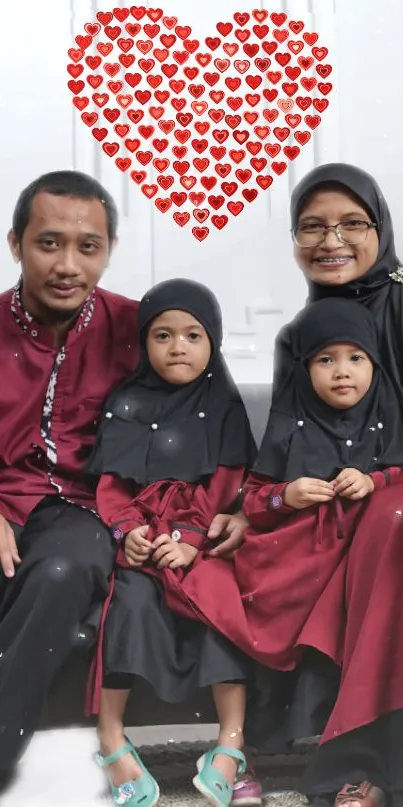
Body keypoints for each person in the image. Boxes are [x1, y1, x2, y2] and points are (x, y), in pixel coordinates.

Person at [0, 171, 246, 787]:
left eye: (89, 247)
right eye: (48, 242)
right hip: (5, 498)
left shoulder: (146, 330)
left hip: (86, 510)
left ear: (109, 251)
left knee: (64, 569)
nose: (67, 264)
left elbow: (215, 413)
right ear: (15, 244)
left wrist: (238, 502)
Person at [180, 297, 403, 807]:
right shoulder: (292, 418)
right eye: (325, 360)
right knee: (239, 596)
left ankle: (365, 763)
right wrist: (289, 494)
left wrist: (374, 480)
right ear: (305, 368)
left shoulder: (390, 414)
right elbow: (254, 500)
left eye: (355, 357)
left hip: (364, 565)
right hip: (302, 557)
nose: (342, 372)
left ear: (374, 362)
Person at [85, 278, 257, 807]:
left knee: (218, 601)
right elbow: (111, 489)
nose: (177, 346)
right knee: (128, 601)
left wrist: (188, 540)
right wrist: (127, 533)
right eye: (162, 335)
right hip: (142, 541)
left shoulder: (223, 406)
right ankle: (111, 737)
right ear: (145, 342)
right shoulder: (127, 402)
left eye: (192, 335)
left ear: (214, 342)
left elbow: (226, 489)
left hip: (199, 544)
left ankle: (230, 744)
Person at [271, 163, 403, 807]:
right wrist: (264, 498)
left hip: (393, 490)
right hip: (358, 493)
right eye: (312, 226)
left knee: (389, 521)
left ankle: (372, 761)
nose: (332, 239)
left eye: (353, 223)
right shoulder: (306, 329)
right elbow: (281, 445)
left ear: (382, 227)